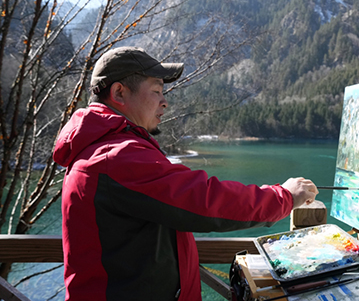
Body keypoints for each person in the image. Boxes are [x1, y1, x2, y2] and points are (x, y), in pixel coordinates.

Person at [53, 47, 318, 301]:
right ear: (119, 93)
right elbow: (203, 200)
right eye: (157, 91)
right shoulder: (114, 156)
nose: (165, 102)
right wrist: (283, 196)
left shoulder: (103, 149)